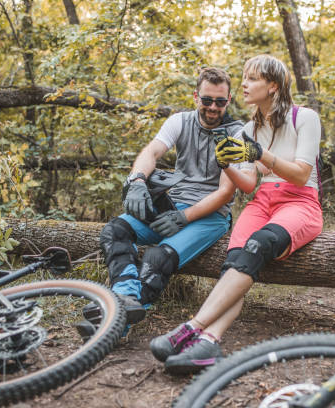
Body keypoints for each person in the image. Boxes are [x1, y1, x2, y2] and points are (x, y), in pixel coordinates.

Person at [149, 55, 323, 374]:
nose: (243, 84)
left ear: (273, 86)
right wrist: (226, 162)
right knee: (235, 263)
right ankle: (209, 344)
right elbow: (248, 184)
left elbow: (300, 174)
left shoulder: (305, 117)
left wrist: (260, 153)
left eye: (252, 78)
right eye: (244, 77)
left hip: (300, 201)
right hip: (263, 201)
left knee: (258, 245)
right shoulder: (247, 128)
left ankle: (190, 329)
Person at [96, 67, 247, 327]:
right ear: (196, 96)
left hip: (210, 216)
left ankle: (116, 323)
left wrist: (183, 217)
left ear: (229, 100)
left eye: (220, 102)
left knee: (158, 258)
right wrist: (137, 181)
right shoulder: (180, 121)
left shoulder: (236, 133)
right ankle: (123, 297)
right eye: (207, 100)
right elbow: (152, 152)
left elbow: (225, 192)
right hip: (172, 203)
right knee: (115, 231)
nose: (213, 107)